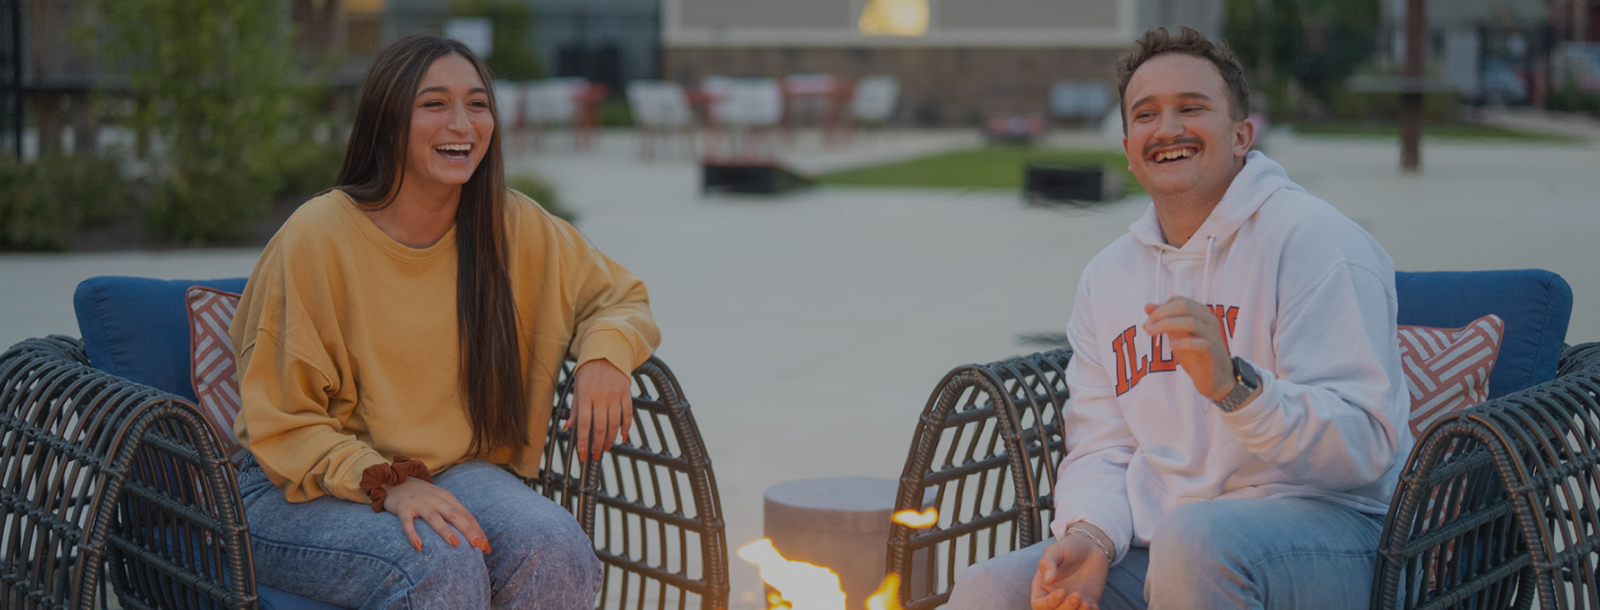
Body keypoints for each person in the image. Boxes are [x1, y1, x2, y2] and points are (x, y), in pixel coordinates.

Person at [946, 26, 1413, 610]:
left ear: (1242, 135)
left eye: (1190, 108)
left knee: (1194, 542)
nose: (1166, 129)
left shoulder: (1316, 241)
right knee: (987, 590)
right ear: (1127, 147)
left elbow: (1365, 445)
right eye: (1146, 115)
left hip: (1337, 535)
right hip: (1165, 543)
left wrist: (1237, 390)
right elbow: (1102, 448)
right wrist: (1091, 536)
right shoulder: (1108, 277)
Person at [229, 35, 659, 609]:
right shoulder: (317, 236)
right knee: (438, 559)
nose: (462, 123)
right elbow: (281, 424)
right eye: (434, 104)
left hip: (451, 470)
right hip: (296, 485)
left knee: (557, 546)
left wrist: (606, 355)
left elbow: (620, 296)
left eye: (477, 104)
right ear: (388, 122)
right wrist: (390, 482)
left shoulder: (509, 223)